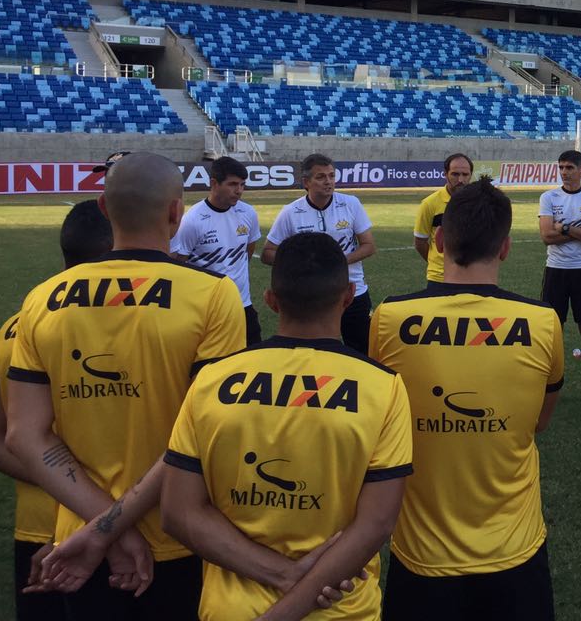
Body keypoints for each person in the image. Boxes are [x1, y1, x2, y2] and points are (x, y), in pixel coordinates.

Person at [6, 152, 245, 619]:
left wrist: (102, 527)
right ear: (176, 211)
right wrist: (111, 529)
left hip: (78, 537)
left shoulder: (42, 299)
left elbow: (24, 435)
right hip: (180, 534)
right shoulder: (213, 294)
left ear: (103, 207)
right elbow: (203, 435)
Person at [159, 232, 413, 620]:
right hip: (341, 612)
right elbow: (376, 523)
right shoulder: (383, 387)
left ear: (270, 300)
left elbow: (178, 511)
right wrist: (294, 590)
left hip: (231, 610)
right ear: (348, 296)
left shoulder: (211, 379)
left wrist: (280, 576)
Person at [371, 180, 564, 621]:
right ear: (505, 247)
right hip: (514, 549)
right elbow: (539, 421)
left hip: (422, 556)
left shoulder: (389, 318)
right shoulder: (542, 321)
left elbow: (382, 424)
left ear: (439, 241)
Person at [0, 201, 111, 621]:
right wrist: (91, 494)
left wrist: (54, 477)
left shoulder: (13, 326)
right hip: (121, 520)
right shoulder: (134, 327)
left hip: (38, 522)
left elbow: (0, 438)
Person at [263, 154, 376, 353]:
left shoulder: (351, 204)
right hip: (311, 297)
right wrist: (302, 264)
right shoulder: (291, 212)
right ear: (306, 182)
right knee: (313, 352)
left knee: (361, 351)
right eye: (321, 177)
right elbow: (267, 253)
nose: (328, 182)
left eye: (331, 176)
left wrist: (337, 263)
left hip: (353, 292)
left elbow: (368, 245)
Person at [538, 150, 581, 403]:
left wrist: (564, 227)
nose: (564, 172)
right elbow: (547, 236)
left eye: (569, 167)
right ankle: (547, 382)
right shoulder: (549, 197)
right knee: (552, 330)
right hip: (555, 270)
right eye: (561, 167)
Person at [170, 156, 262, 345]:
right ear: (214, 183)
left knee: (254, 355)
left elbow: (248, 250)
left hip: (242, 304)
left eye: (243, 185)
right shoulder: (192, 220)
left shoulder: (248, 213)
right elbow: (180, 265)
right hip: (208, 308)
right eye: (233, 184)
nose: (239, 191)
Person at [414, 153, 473, 288]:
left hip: (471, 277)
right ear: (445, 174)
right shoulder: (429, 204)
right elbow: (420, 242)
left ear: (471, 175)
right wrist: (437, 264)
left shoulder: (478, 202)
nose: (460, 179)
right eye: (455, 174)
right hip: (440, 278)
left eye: (465, 174)